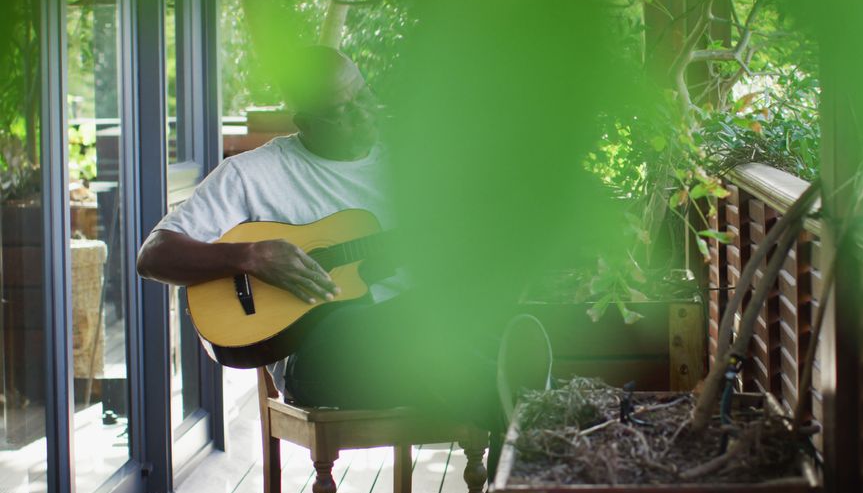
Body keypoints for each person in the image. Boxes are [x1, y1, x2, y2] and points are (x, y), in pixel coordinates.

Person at [136, 45, 551, 433]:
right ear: (305, 122)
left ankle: (507, 412)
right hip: (323, 359)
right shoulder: (251, 175)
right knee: (370, 328)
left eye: (364, 96)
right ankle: (517, 407)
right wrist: (249, 256)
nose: (365, 114)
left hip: (417, 346)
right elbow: (153, 256)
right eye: (342, 109)